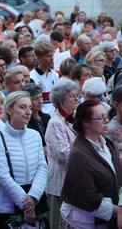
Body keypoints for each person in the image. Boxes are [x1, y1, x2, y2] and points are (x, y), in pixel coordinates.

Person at [0, 91, 47, 229]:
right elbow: (1, 175)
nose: (28, 112)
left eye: (30, 107)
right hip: (8, 207)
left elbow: (42, 168)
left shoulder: (35, 135)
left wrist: (33, 196)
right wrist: (26, 204)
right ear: (9, 109)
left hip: (35, 199)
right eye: (22, 107)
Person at [61, 100, 122, 228]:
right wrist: (117, 211)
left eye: (106, 117)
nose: (106, 121)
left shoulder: (107, 143)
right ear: (86, 123)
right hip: (83, 223)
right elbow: (85, 197)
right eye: (101, 118)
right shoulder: (79, 155)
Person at [44, 78, 79, 229]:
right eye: (72, 96)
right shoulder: (55, 123)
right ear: (61, 100)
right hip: (59, 184)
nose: (77, 99)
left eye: (76, 95)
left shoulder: (73, 119)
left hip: (74, 182)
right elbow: (63, 154)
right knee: (58, 223)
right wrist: (86, 156)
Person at [23, 83, 51, 150]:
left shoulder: (47, 117)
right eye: (36, 99)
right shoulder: (25, 122)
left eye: (41, 97)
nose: (40, 101)